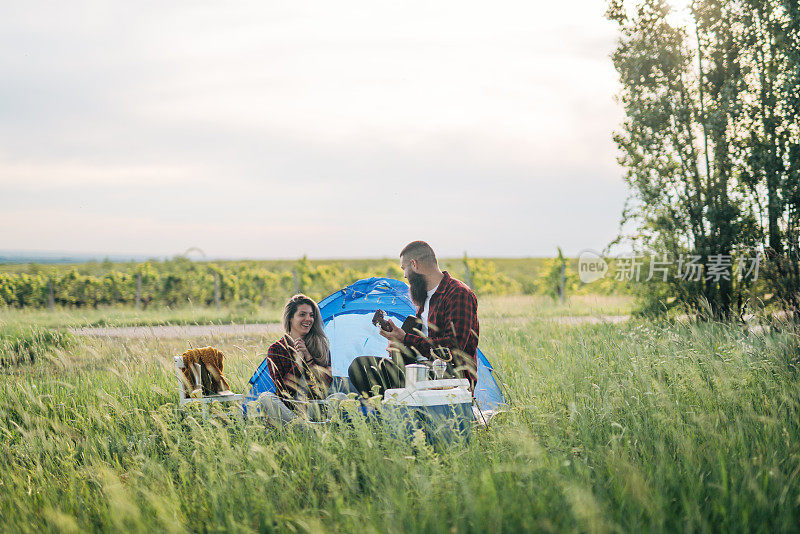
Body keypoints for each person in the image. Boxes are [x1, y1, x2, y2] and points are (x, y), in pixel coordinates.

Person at [348, 240, 479, 396]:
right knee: (360, 366)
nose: (404, 275)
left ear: (414, 264)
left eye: (405, 268)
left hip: (444, 376)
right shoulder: (425, 298)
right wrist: (399, 343)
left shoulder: (458, 294)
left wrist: (406, 338)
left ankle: (395, 410)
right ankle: (390, 413)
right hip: (414, 369)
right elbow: (419, 344)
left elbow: (453, 348)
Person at [258, 294, 332, 423]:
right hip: (290, 411)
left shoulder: (320, 344)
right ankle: (303, 428)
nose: (308, 319)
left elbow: (325, 386)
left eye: (311, 315)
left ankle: (305, 429)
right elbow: (283, 391)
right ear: (290, 318)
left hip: (315, 407)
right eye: (302, 314)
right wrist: (298, 363)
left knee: (340, 397)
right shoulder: (276, 349)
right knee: (266, 398)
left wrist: (308, 357)